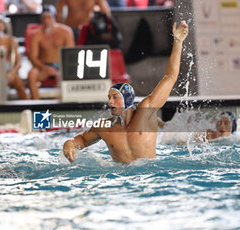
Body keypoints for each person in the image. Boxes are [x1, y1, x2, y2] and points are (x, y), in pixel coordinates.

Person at [63, 21, 189, 163]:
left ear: (127, 99)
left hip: (151, 178)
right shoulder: (105, 127)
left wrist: (178, 42)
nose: (110, 102)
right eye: (109, 97)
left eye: (114, 97)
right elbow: (82, 140)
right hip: (122, 181)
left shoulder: (147, 110)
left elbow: (170, 77)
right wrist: (70, 143)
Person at [28, 5, 75, 99]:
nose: (46, 21)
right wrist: (45, 68)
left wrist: (61, 69)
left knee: (65, 75)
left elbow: (70, 54)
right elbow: (33, 57)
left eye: (49, 18)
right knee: (32, 74)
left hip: (62, 66)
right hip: (44, 66)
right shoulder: (36, 35)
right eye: (44, 18)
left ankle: (58, 106)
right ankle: (36, 104)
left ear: (54, 18)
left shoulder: (65, 32)